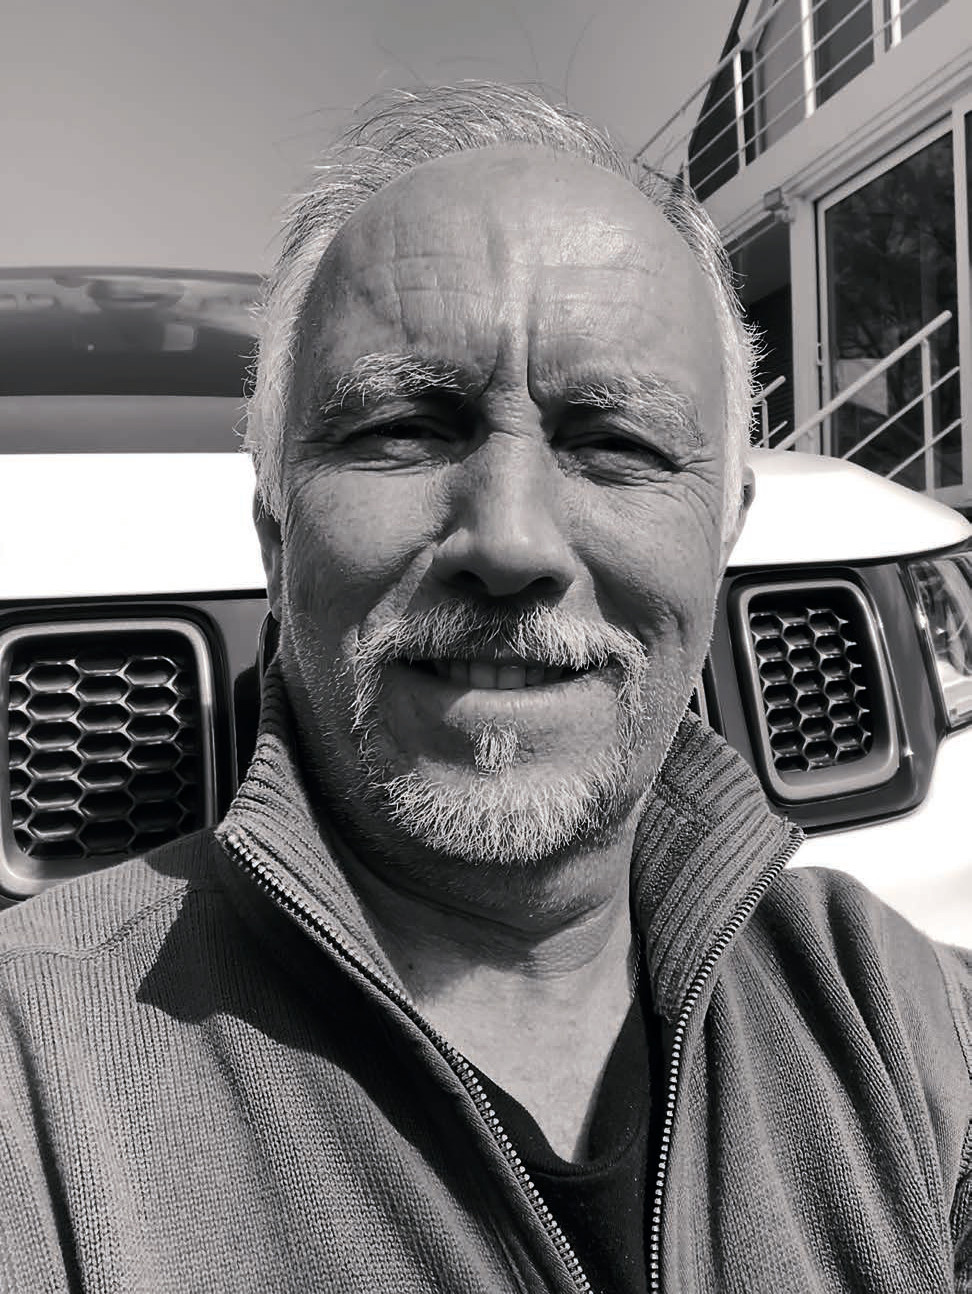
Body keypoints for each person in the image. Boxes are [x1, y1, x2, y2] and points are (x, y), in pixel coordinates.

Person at [0, 82, 969, 1294]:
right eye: (402, 426)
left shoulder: (909, 1020)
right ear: (275, 534)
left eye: (619, 443)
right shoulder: (37, 1090)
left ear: (726, 533)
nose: (511, 541)